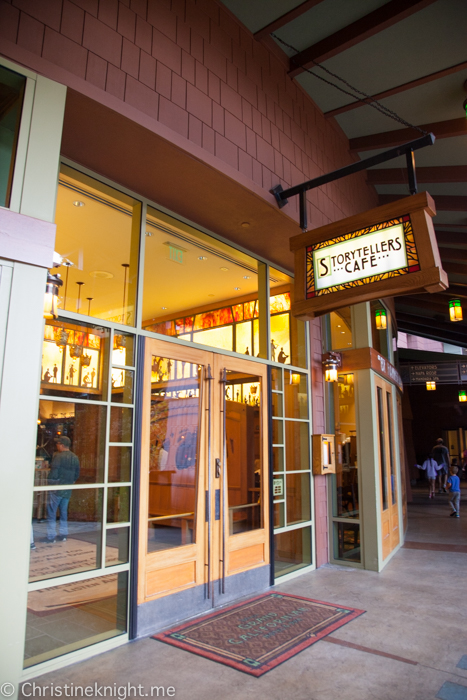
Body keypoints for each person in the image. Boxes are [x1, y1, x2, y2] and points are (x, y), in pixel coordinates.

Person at [46, 436, 80, 543]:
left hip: (57, 488)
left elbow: (53, 473)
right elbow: (77, 474)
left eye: (57, 444)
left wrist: (50, 482)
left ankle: (51, 536)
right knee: (63, 512)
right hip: (67, 488)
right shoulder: (75, 457)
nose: (56, 446)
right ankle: (63, 534)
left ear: (61, 445)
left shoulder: (58, 457)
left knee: (51, 512)